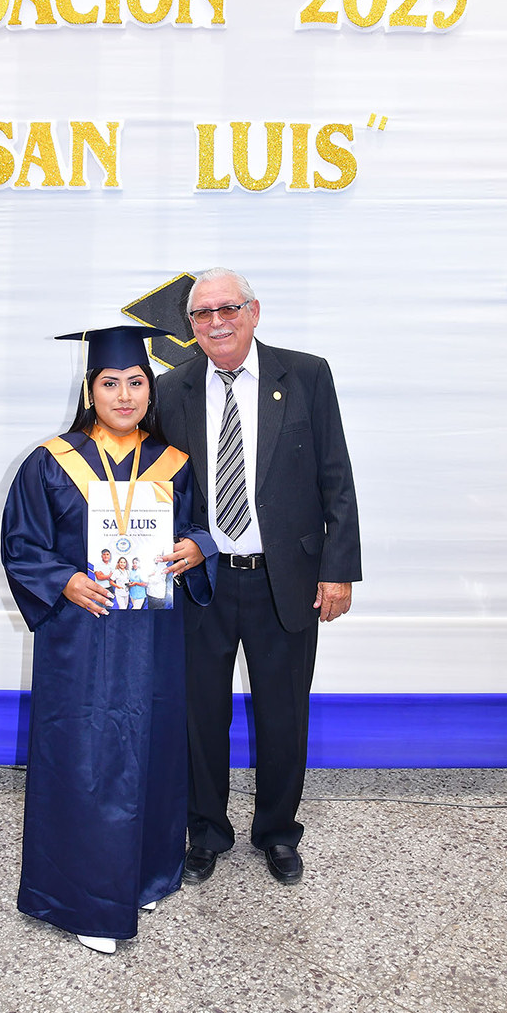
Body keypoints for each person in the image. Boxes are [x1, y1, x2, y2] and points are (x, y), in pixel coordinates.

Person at [0, 325, 217, 953]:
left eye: (136, 383)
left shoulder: (175, 463)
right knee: (85, 758)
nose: (125, 395)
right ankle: (85, 901)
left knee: (151, 747)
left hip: (152, 637)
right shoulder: (49, 462)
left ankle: (144, 873)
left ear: (151, 390)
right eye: (110, 383)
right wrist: (63, 580)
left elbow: (202, 529)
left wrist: (195, 549)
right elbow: (22, 546)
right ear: (90, 390)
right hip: (81, 640)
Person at [155, 268, 361, 887]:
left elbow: (336, 475)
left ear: (254, 311)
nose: (216, 322)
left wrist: (338, 570)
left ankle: (277, 832)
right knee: (200, 717)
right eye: (202, 314)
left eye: (228, 308)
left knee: (283, 715)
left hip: (285, 579)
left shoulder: (306, 375)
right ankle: (205, 831)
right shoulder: (170, 389)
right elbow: (155, 485)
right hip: (202, 582)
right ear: (190, 325)